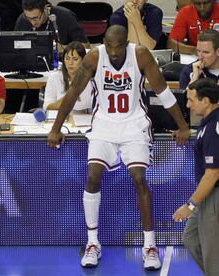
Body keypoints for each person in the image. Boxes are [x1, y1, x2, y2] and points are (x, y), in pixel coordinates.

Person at [47, 25, 190, 270]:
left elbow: (164, 93)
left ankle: (149, 245)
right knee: (92, 176)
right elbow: (73, 92)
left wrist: (183, 126)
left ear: (126, 43)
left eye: (119, 46)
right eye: (110, 46)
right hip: (104, 124)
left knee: (139, 178)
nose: (114, 52)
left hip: (134, 124)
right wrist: (55, 128)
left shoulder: (141, 54)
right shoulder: (94, 56)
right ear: (103, 42)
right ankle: (93, 243)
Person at [173, 78, 219, 276]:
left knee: (213, 253)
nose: (188, 105)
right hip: (206, 195)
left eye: (192, 100)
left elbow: (213, 173)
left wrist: (190, 205)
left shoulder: (214, 128)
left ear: (206, 101)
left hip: (214, 196)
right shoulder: (206, 123)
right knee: (191, 239)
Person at [14, 0, 89, 50]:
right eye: (29, 18)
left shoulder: (66, 17)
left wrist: (63, 48)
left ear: (46, 9)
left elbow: (86, 47)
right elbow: (14, 47)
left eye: (36, 18)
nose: (33, 23)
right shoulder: (22, 19)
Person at [43, 41, 92, 112]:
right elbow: (47, 107)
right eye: (67, 58)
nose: (70, 63)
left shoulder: (91, 79)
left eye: (75, 59)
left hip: (85, 118)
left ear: (83, 60)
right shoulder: (55, 77)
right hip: (61, 118)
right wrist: (66, 100)